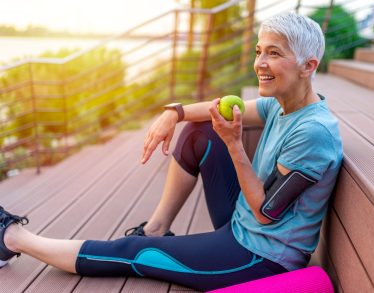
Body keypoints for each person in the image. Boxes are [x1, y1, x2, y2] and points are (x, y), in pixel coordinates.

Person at [0, 13, 342, 291]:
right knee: (200, 131)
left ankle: (13, 238)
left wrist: (235, 145)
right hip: (243, 223)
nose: (260, 63)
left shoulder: (312, 133)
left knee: (134, 253)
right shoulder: (282, 105)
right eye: (259, 51)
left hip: (260, 257)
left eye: (275, 53)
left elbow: (267, 213)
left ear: (308, 66)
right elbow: (215, 107)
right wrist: (173, 113)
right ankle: (156, 227)